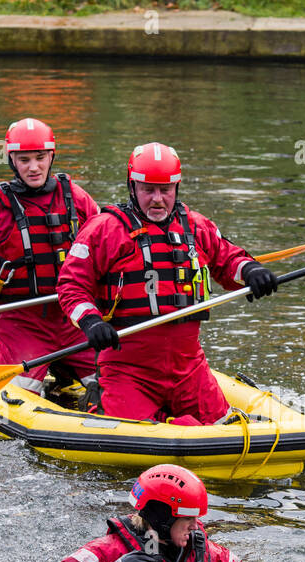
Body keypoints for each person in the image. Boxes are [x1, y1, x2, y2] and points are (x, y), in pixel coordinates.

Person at [54, 142, 279, 425]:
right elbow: (71, 286)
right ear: (132, 187)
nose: (157, 199)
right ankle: (106, 402)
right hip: (127, 368)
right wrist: (92, 322)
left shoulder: (196, 226)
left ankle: (169, 418)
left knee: (225, 428)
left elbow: (227, 259)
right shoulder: (104, 230)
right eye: (148, 190)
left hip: (188, 368)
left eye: (165, 190)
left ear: (177, 188)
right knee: (130, 432)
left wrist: (250, 270)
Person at [0, 117, 100, 395]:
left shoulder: (78, 199)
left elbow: (109, 255)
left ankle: (64, 366)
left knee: (113, 384)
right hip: (22, 322)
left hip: (75, 320)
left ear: (51, 156)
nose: (33, 167)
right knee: (18, 393)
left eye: (40, 158)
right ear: (11, 160)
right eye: (24, 159)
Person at [41, 464, 266, 562]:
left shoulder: (207, 553)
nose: (196, 527)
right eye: (187, 519)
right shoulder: (108, 551)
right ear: (162, 519)